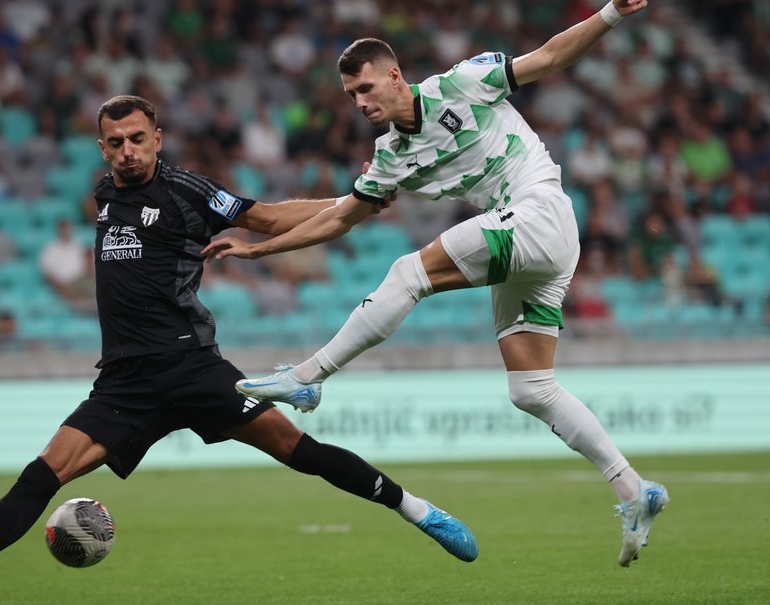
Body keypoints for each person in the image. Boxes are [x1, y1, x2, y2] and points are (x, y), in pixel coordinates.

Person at [0, 95, 477, 605]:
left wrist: (357, 199)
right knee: (41, 474)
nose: (128, 151)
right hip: (124, 383)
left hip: (192, 366)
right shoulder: (104, 194)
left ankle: (419, 510)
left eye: (137, 138)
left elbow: (268, 218)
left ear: (157, 137)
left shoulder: (186, 191)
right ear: (101, 148)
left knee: (299, 450)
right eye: (115, 142)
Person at [207, 0, 668, 568]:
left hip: (539, 211)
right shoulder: (391, 157)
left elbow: (548, 57)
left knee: (409, 272)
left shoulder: (463, 83)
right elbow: (338, 217)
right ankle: (633, 490)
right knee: (532, 389)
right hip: (531, 246)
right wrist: (260, 249)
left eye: (368, 88)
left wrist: (612, 13)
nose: (361, 102)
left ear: (396, 75)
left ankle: (307, 377)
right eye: (352, 95)